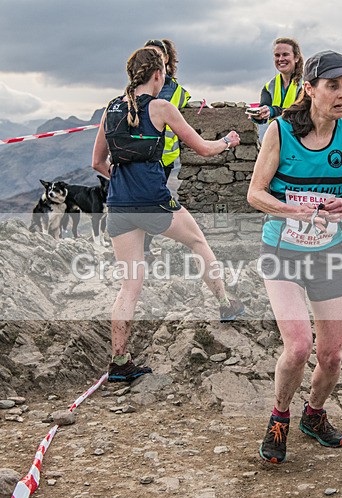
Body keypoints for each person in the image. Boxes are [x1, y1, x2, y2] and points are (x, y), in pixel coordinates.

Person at [247, 51, 342, 463]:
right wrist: (291, 210)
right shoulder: (280, 131)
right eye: (333, 86)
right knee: (300, 346)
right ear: (309, 89)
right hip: (283, 251)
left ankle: (314, 415)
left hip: (328, 252)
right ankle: (279, 417)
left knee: (332, 355)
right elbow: (255, 193)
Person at [92, 47, 245, 382]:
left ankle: (119, 362)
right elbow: (203, 149)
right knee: (198, 242)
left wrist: (120, 181)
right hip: (154, 201)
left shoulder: (111, 109)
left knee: (129, 286)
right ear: (159, 74)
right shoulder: (161, 107)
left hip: (119, 205)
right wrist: (229, 141)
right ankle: (226, 303)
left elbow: (97, 163)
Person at [141, 38, 190, 264]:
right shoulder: (136, 87)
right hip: (140, 156)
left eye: (158, 55)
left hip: (164, 158)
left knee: (153, 203)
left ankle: (145, 249)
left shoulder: (177, 91)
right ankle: (140, 250)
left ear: (167, 59)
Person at [250, 37, 303, 124]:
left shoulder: (307, 84)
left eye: (285, 54)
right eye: (277, 55)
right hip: (276, 135)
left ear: (296, 58)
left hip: (299, 136)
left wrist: (273, 111)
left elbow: (301, 113)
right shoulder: (269, 87)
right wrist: (258, 115)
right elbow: (264, 118)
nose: (281, 59)